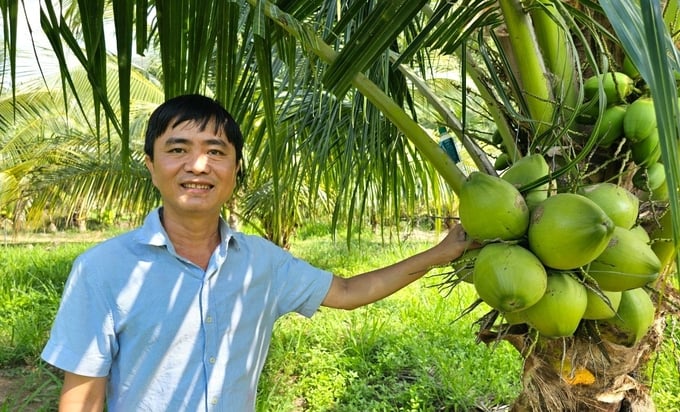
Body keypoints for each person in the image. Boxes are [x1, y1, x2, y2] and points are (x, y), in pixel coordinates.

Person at [41, 94, 475, 411]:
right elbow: (83, 397)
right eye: (177, 150)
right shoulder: (102, 270)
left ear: (235, 172)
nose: (197, 166)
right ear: (152, 166)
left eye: (216, 152)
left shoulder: (262, 262)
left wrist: (439, 254)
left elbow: (346, 291)